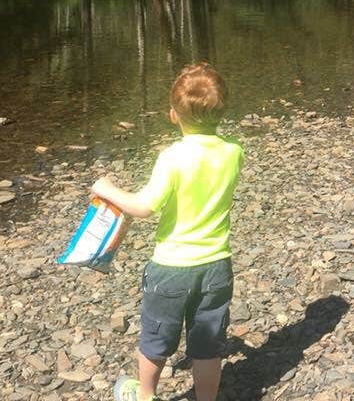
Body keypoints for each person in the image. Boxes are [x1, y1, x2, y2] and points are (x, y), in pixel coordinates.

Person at [91, 62, 244, 401]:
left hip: (172, 268)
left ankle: (144, 395)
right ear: (222, 110)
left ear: (173, 115)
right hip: (217, 264)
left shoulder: (173, 157)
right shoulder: (234, 152)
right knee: (208, 343)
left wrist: (107, 189)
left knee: (157, 336)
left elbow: (145, 207)